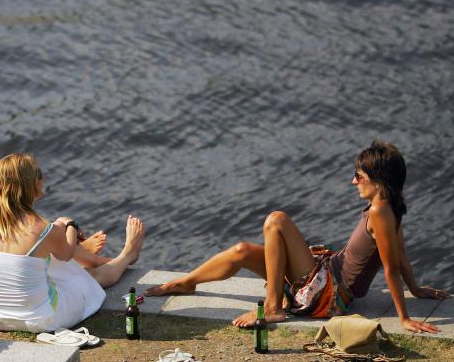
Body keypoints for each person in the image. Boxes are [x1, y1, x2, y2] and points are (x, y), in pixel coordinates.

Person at [145, 141, 450, 333]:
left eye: (359, 176)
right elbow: (402, 257)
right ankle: (188, 282)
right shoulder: (387, 206)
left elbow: (392, 266)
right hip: (324, 274)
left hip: (329, 293)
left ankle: (274, 307)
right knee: (241, 251)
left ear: (378, 181)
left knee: (276, 220)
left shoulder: (381, 213)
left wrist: (405, 317)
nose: (353, 180)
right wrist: (416, 289)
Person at [0, 153, 145, 332]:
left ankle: (94, 259)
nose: (43, 178)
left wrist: (60, 224)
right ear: (29, 185)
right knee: (90, 278)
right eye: (39, 174)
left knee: (45, 257)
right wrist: (70, 224)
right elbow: (66, 254)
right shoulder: (42, 229)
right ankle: (128, 255)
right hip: (41, 319)